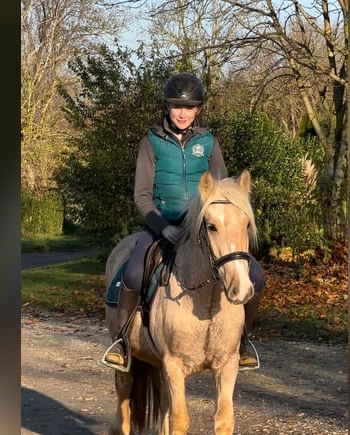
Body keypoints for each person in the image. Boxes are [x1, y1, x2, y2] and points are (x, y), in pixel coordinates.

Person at [103, 72, 265, 370]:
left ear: (198, 110)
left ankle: (242, 341)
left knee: (256, 276)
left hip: (205, 227)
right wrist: (163, 227)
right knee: (133, 272)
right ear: (168, 107)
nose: (182, 113)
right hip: (161, 224)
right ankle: (123, 343)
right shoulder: (151, 142)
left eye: (188, 107)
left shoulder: (209, 141)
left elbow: (223, 189)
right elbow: (141, 196)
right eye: (177, 106)